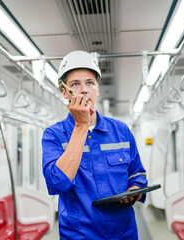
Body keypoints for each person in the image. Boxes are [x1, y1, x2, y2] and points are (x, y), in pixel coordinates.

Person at [42, 51, 148, 240]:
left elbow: (137, 173)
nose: (84, 90)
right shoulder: (54, 135)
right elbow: (57, 183)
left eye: (90, 83)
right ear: (64, 91)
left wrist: (134, 189)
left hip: (124, 233)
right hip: (79, 235)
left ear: (97, 89)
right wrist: (81, 126)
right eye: (75, 84)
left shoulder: (121, 131)